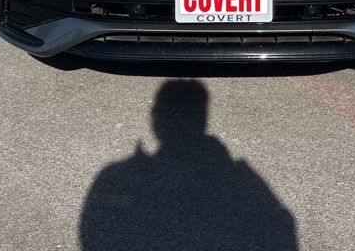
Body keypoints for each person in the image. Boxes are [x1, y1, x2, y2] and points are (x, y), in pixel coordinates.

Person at [79, 79, 298, 250]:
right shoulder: (240, 175)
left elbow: (91, 232)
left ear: (155, 117)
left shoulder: (117, 174)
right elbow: (282, 223)